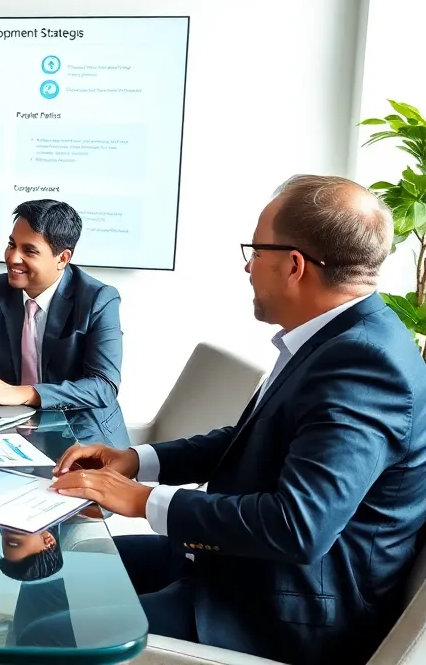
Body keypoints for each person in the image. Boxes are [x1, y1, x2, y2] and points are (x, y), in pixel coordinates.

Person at [50, 175, 426, 665]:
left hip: (278, 612)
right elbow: (252, 440)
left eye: (256, 250)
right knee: (54, 572)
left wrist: (142, 501)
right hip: (235, 564)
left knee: (52, 633)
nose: (248, 266)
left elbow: (298, 527)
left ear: (293, 265)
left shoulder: (365, 364)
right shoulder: (338, 335)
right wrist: (135, 461)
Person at [0, 200, 128, 447]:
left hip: (84, 434)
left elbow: (103, 386)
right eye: (11, 244)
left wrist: (25, 393)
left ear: (62, 258)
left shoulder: (99, 299)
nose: (13, 257)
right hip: (15, 429)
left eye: (29, 251)